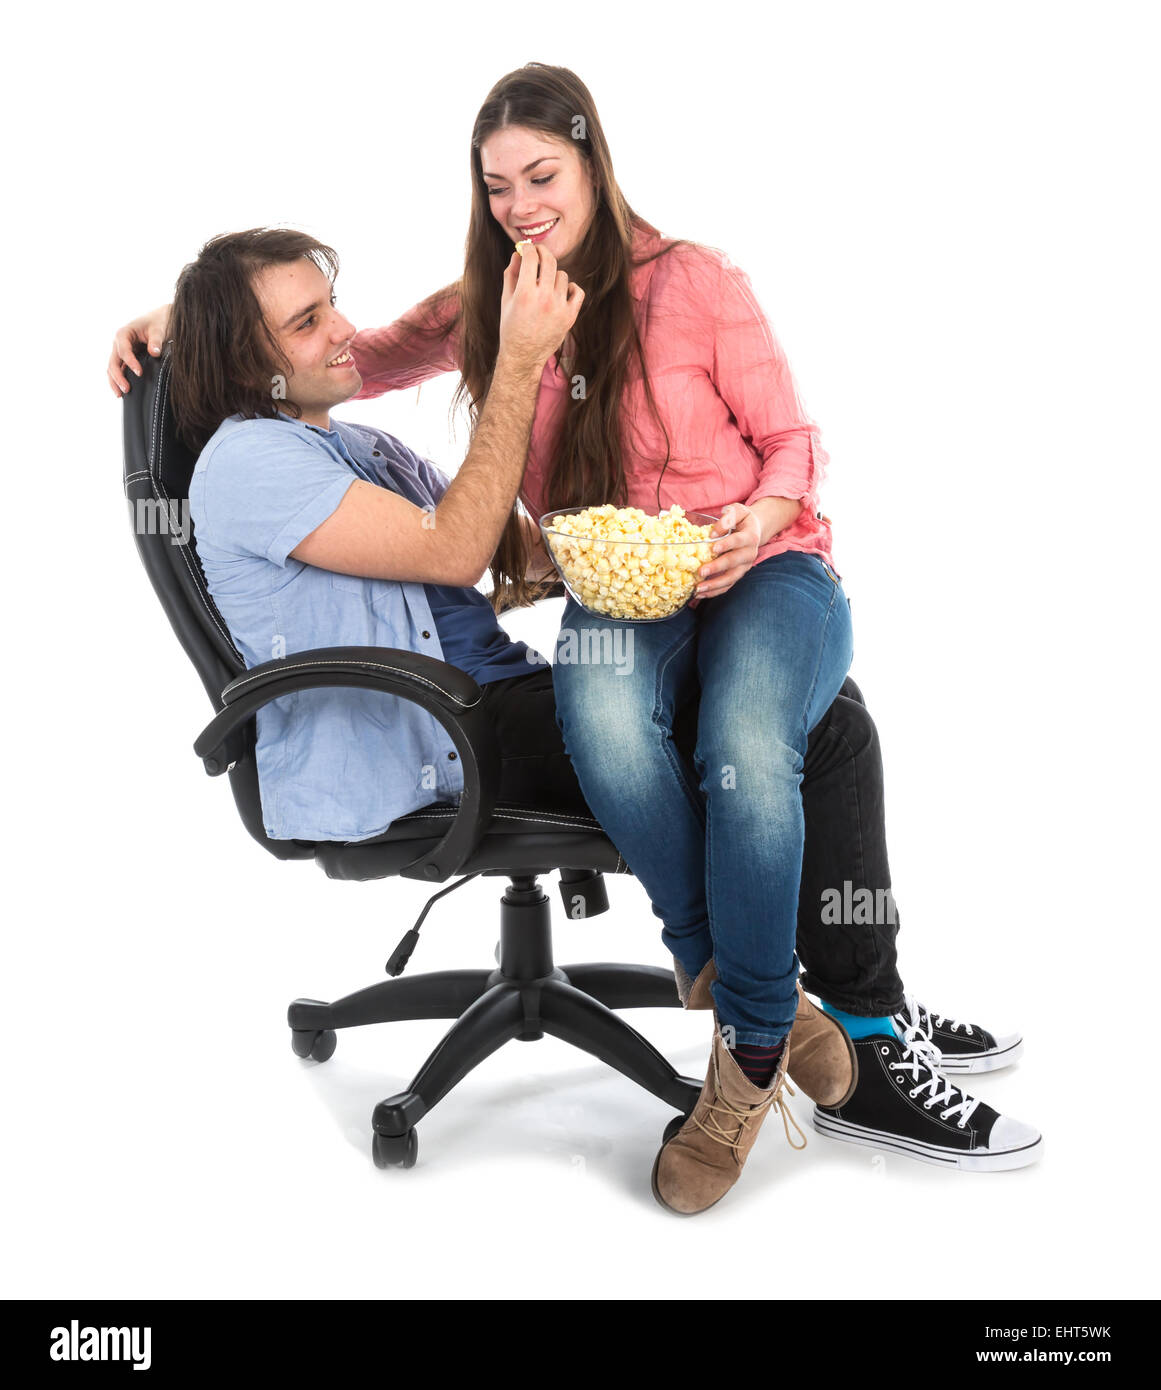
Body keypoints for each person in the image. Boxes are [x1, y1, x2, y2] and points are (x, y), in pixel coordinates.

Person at [109, 111, 1041, 1209]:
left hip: (489, 700)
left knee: (821, 713)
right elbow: (455, 540)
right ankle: (793, 1015)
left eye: (330, 302)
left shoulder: (352, 442)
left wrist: (638, 538)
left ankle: (850, 999)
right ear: (247, 362)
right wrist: (518, 364)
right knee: (819, 730)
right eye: (308, 322)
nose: (344, 331)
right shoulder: (249, 464)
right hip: (438, 742)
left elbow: (495, 552)